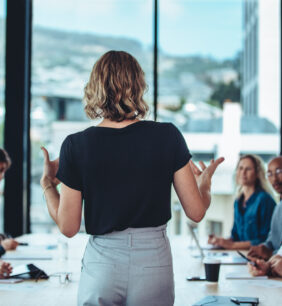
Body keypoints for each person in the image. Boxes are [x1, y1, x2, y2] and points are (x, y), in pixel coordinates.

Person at [40, 50, 224, 305]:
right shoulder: (168, 135)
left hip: (102, 263)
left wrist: (48, 185)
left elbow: (68, 227)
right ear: (138, 86)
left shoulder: (76, 145)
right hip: (153, 261)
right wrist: (204, 185)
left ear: (95, 87)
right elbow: (196, 212)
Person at [208, 154, 276, 250]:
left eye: (248, 169)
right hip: (240, 255)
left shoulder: (265, 200)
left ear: (257, 173)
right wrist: (221, 242)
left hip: (258, 257)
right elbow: (235, 236)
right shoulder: (238, 201)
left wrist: (232, 246)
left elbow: (266, 240)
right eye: (240, 168)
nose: (243, 172)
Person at [247, 156, 282, 260]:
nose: (274, 178)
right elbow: (271, 241)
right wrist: (263, 248)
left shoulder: (265, 199)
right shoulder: (279, 208)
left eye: (279, 171)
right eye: (270, 174)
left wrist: (270, 253)